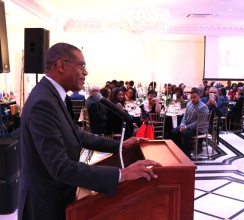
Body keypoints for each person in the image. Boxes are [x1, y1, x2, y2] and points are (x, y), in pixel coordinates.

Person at [18, 43, 160, 220]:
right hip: (44, 205)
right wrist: (122, 174)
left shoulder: (54, 96)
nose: (85, 72)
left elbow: (76, 135)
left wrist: (120, 146)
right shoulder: (44, 103)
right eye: (82, 65)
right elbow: (60, 168)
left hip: (56, 197)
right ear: (61, 65)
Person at [170, 88, 209, 159]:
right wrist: (182, 125)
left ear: (199, 97)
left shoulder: (203, 107)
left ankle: (187, 155)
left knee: (186, 134)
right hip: (187, 126)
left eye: (194, 97)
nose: (193, 99)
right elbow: (185, 117)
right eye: (191, 98)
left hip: (198, 128)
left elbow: (199, 122)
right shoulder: (189, 104)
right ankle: (180, 150)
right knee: (173, 132)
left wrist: (186, 127)